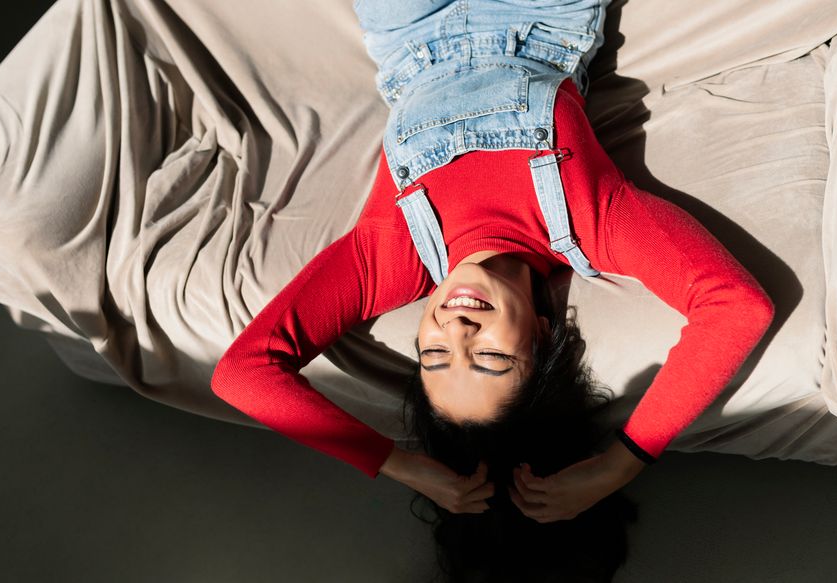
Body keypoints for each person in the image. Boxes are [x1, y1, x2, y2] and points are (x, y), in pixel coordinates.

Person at [211, 0, 774, 528]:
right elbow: (736, 307)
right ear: (543, 335)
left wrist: (399, 465)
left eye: (433, 354)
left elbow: (244, 375)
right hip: (542, 18)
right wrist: (621, 462)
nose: (456, 330)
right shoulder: (593, 225)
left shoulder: (393, 259)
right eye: (489, 357)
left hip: (406, 34)